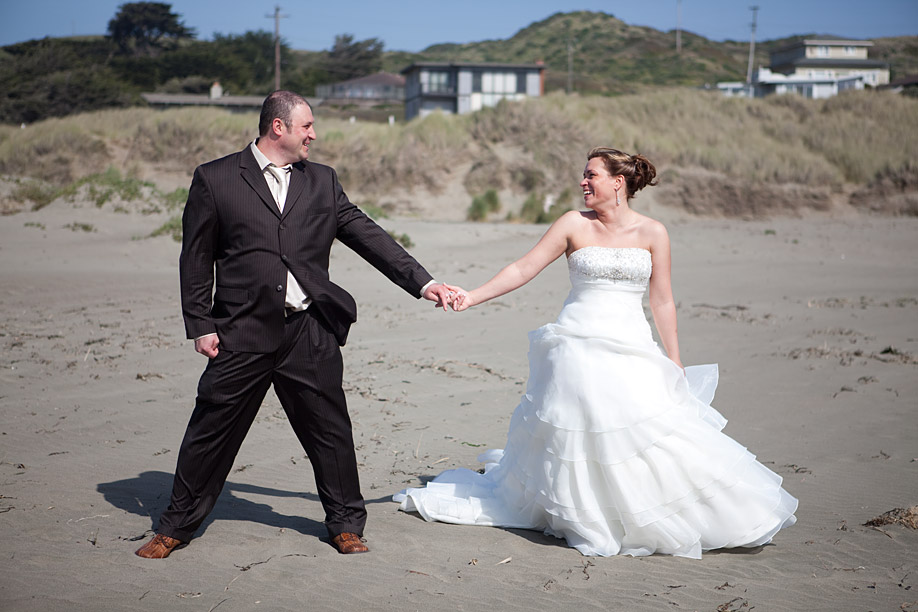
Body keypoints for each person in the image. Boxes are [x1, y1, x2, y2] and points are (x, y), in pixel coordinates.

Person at [394, 147, 798, 558]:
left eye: (592, 175)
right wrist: (472, 297)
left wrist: (674, 360)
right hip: (577, 341)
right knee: (581, 425)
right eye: (583, 176)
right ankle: (583, 512)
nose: (583, 182)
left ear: (618, 182)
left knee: (642, 430)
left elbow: (662, 301)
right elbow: (523, 268)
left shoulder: (653, 232)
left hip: (632, 345)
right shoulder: (573, 224)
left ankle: (643, 509)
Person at [135, 90, 455, 558]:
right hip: (240, 331)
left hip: (309, 329)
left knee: (330, 431)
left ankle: (346, 523)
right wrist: (201, 323)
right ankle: (175, 526)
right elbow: (196, 259)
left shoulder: (322, 180)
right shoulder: (217, 178)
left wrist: (423, 282)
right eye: (307, 126)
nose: (314, 135)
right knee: (210, 430)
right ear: (277, 127)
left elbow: (367, 234)